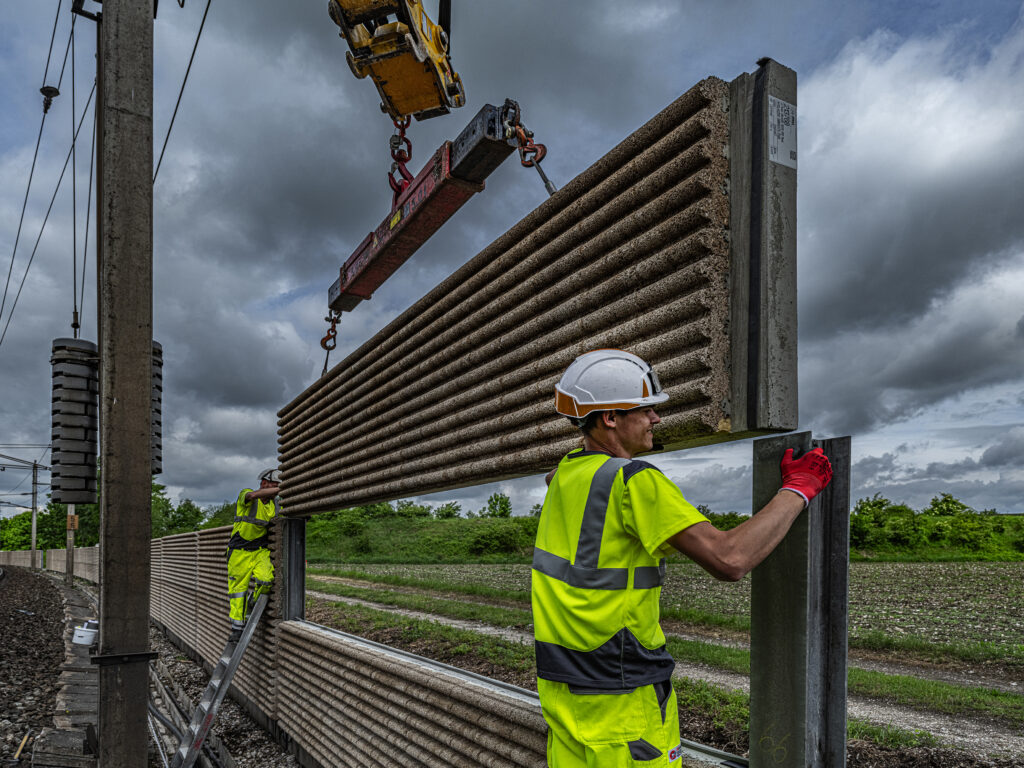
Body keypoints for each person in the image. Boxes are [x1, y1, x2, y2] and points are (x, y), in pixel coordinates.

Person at [533, 349, 832, 767]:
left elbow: (561, 476)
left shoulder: (565, 474)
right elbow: (729, 558)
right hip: (622, 698)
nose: (656, 419)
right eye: (646, 410)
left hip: (563, 690)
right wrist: (798, 489)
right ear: (611, 417)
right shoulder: (632, 481)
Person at [226, 467, 281, 643]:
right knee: (238, 591)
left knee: (266, 580)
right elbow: (252, 496)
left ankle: (253, 603)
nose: (276, 488)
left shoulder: (275, 505)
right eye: (274, 484)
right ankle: (237, 628)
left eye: (278, 485)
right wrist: (282, 489)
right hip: (238, 552)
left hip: (259, 551)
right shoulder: (247, 494)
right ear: (264, 483)